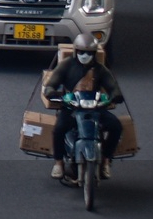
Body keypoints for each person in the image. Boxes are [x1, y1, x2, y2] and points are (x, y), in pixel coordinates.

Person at [42, 34, 124, 182]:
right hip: (71, 108)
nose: (84, 55)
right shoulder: (66, 65)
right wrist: (52, 92)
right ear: (75, 51)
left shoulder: (100, 69)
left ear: (94, 54)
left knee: (116, 126)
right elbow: (51, 83)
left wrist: (115, 95)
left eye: (89, 53)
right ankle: (58, 163)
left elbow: (112, 86)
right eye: (81, 52)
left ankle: (106, 160)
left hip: (95, 108)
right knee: (59, 129)